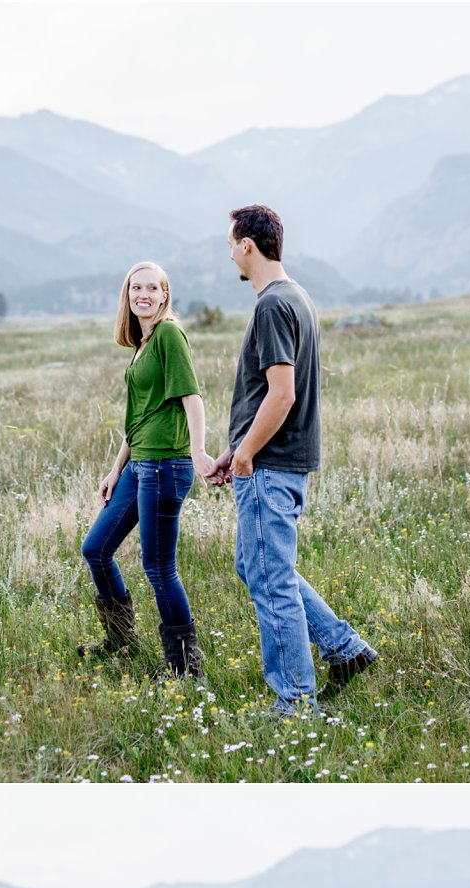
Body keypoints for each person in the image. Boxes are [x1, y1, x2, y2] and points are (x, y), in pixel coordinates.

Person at [206, 205, 377, 714]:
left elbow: (281, 394)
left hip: (270, 464)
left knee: (270, 577)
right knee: (257, 564)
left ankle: (296, 700)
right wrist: (232, 452)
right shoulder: (297, 297)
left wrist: (246, 457)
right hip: (279, 460)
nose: (230, 252)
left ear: (247, 246)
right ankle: (345, 649)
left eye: (231, 243)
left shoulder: (272, 305)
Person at [78, 261, 216, 678]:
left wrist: (198, 452)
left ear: (164, 295)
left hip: (165, 466)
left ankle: (185, 667)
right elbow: (137, 416)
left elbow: (192, 397)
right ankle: (121, 640)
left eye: (152, 288)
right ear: (128, 295)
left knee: (159, 568)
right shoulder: (143, 342)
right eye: (136, 288)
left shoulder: (169, 334)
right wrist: (115, 469)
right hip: (139, 465)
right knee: (96, 550)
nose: (143, 294)